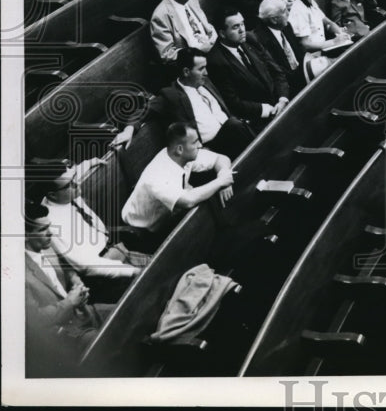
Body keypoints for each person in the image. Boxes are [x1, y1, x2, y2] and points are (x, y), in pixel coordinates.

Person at [25, 202, 115, 372]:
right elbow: (36, 320)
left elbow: (66, 270)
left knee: (128, 311)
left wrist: (76, 282)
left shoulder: (45, 247)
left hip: (82, 313)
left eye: (49, 227)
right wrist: (70, 302)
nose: (50, 233)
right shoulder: (17, 274)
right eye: (42, 230)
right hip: (62, 333)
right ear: (25, 236)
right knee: (107, 343)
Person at [122, 47, 256, 158]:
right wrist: (128, 130)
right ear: (186, 71)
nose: (206, 73)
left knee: (241, 125)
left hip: (234, 136)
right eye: (201, 69)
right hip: (210, 149)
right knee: (236, 126)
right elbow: (143, 110)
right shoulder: (171, 95)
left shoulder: (206, 83)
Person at [30, 161, 143, 286]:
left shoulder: (66, 191)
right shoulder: (52, 224)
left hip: (118, 248)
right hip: (106, 273)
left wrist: (90, 162)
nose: (77, 183)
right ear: (53, 195)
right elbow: (87, 266)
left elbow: (70, 175)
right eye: (70, 184)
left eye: (74, 177)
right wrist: (130, 271)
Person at [121, 122, 234, 240]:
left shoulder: (181, 155)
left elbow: (221, 158)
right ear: (180, 149)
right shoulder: (158, 175)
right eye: (195, 142)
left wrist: (223, 173)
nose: (200, 145)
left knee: (207, 194)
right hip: (141, 234)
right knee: (205, 196)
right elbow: (188, 201)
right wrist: (221, 182)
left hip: (166, 219)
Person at [207, 8, 290, 133]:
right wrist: (266, 110)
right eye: (235, 27)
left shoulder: (250, 39)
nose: (242, 30)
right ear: (222, 33)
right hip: (257, 120)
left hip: (280, 103)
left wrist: (282, 98)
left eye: (242, 24)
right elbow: (233, 102)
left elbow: (276, 71)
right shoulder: (216, 61)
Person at [287, 0, 351, 81]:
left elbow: (328, 22)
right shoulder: (299, 9)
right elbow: (305, 44)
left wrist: (341, 33)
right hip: (313, 63)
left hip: (324, 52)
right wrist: (333, 42)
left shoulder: (312, 3)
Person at [150, 0, 217, 63]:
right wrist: (198, 51)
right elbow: (167, 54)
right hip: (193, 61)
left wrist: (212, 37)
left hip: (211, 47)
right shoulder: (161, 15)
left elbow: (205, 25)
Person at [249, 0, 306, 95]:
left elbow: (299, 53)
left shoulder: (287, 26)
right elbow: (277, 71)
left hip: (303, 75)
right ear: (274, 20)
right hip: (289, 88)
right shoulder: (260, 40)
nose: (288, 13)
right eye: (284, 11)